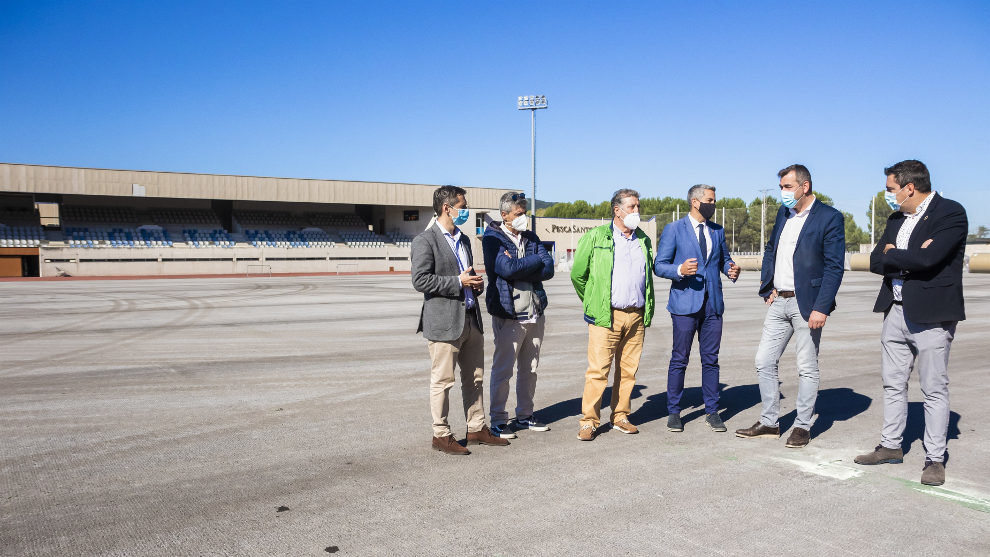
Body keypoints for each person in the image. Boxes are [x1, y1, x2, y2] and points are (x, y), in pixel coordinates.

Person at [854, 160, 967, 486]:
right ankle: (890, 446)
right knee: (892, 383)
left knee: (933, 388)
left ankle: (934, 458)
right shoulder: (895, 218)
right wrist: (904, 255)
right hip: (895, 310)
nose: (888, 195)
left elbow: (928, 259)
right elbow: (876, 260)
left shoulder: (950, 213)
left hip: (931, 314)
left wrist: (897, 254)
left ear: (909, 188)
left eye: (890, 189)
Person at [735, 164, 845, 448]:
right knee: (763, 361)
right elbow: (771, 249)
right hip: (778, 301)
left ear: (804, 186)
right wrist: (766, 286)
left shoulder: (829, 218)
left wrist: (822, 306)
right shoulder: (784, 214)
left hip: (808, 304)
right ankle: (770, 422)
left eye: (786, 187)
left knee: (807, 366)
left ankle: (802, 425)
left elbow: (834, 267)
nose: (782, 193)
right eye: (782, 186)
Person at [411, 185, 509, 455]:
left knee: (475, 378)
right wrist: (458, 281)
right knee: (443, 381)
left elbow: (467, 275)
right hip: (444, 322)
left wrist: (474, 284)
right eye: (462, 206)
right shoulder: (425, 241)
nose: (465, 211)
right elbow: (420, 280)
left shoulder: (463, 240)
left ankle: (476, 427)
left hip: (470, 318)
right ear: (447, 208)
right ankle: (440, 434)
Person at [570, 188, 655, 441]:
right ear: (617, 211)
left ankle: (620, 416)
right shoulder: (596, 237)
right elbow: (578, 276)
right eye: (631, 207)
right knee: (598, 372)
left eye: (638, 206)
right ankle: (589, 421)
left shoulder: (643, 240)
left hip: (636, 315)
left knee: (628, 371)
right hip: (606, 316)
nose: (636, 211)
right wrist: (594, 302)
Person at [654, 184, 740, 433]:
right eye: (710, 200)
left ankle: (712, 411)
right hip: (684, 304)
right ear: (695, 202)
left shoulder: (717, 230)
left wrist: (731, 268)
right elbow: (659, 265)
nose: (713, 205)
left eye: (714, 200)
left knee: (711, 360)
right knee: (679, 359)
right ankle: (673, 412)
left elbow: (723, 260)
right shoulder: (674, 229)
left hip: (713, 304)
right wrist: (679, 270)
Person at [482, 192, 555, 438]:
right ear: (505, 215)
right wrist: (534, 260)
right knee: (503, 371)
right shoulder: (493, 239)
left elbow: (548, 269)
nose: (523, 218)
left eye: (524, 213)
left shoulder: (531, 237)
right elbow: (504, 268)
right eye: (518, 214)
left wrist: (522, 265)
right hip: (509, 314)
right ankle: (498, 420)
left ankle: (525, 415)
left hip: (535, 312)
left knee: (530, 369)